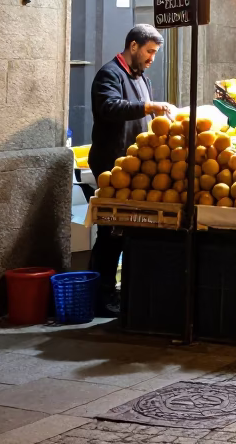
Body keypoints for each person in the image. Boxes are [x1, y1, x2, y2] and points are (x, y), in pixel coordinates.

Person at [89, 24, 176, 316]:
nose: (152, 57)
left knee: (127, 231)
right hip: (111, 165)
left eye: (155, 53)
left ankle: (119, 291)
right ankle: (100, 296)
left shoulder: (142, 79)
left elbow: (142, 117)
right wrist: (149, 107)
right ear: (134, 46)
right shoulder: (109, 74)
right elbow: (109, 107)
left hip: (133, 165)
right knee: (110, 232)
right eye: (149, 51)